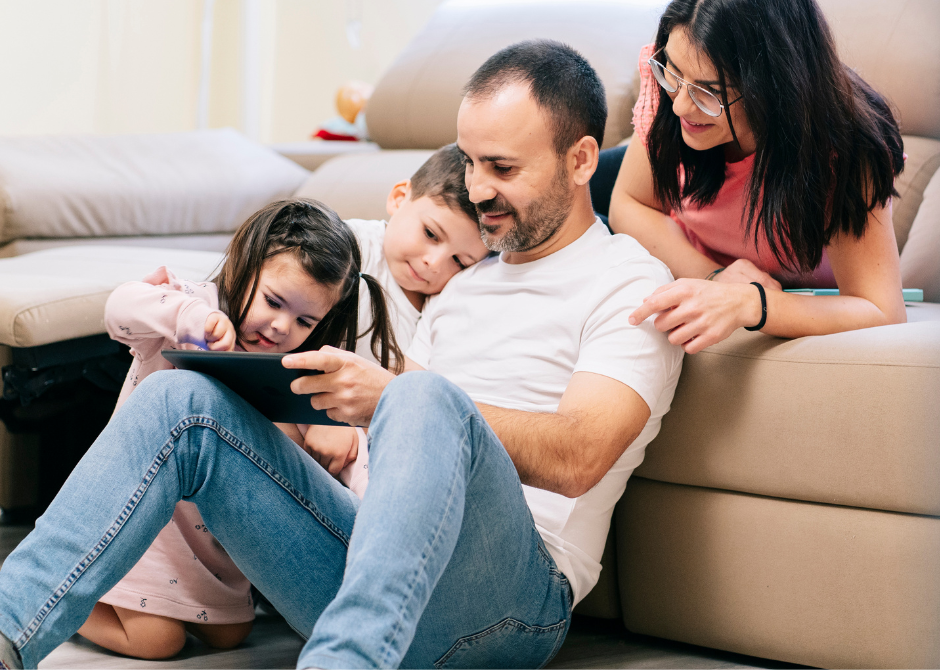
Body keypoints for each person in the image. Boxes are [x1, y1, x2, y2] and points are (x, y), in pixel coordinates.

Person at [0, 40, 682, 670]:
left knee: (418, 395)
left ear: (582, 159)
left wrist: (391, 396)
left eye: (502, 168)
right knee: (180, 399)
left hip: (507, 604)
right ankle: (8, 630)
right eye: (470, 162)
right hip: (363, 559)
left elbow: (580, 457)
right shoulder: (454, 278)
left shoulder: (630, 283)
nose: (476, 189)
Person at [79, 198, 402, 660]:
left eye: (304, 320)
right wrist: (193, 318)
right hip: (149, 522)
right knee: (157, 639)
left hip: (215, 547)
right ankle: (76, 601)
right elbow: (120, 309)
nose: (279, 326)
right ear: (244, 264)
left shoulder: (298, 370)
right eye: (273, 301)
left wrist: (347, 437)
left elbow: (337, 468)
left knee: (231, 634)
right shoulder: (193, 311)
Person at [602, 0, 907, 354]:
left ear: (774, 91)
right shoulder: (675, 85)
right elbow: (629, 204)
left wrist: (753, 303)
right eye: (672, 73)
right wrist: (716, 278)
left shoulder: (848, 150)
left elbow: (882, 310)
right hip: (663, 214)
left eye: (710, 92)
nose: (679, 107)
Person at [294, 143, 491, 487]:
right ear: (399, 198)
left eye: (460, 261)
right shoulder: (349, 249)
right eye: (430, 234)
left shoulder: (445, 304)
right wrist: (318, 421)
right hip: (299, 407)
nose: (435, 262)